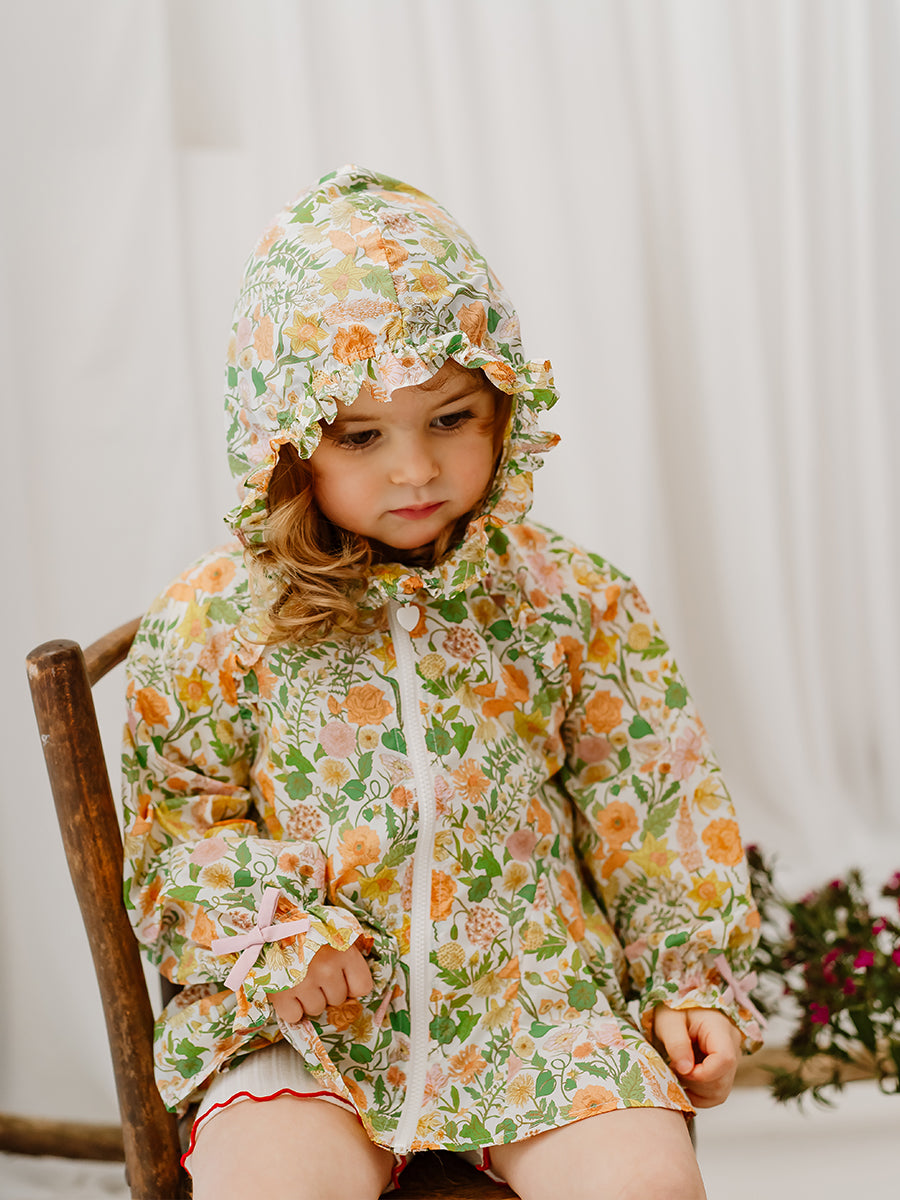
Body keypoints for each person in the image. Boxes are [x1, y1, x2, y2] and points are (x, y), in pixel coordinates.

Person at [122, 165, 764, 1200]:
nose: (416, 469)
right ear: (285, 439)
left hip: (534, 1008)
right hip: (310, 1018)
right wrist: (278, 928)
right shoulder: (218, 618)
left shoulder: (572, 598)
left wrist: (688, 980)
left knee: (647, 1186)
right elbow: (177, 825)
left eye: (452, 419)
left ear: (505, 404)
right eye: (360, 434)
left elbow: (657, 801)